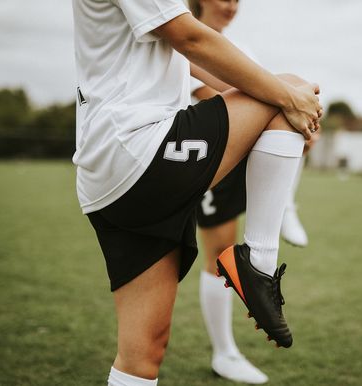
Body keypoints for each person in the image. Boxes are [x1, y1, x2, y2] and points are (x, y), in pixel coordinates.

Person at [72, 0, 322, 385]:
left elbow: (185, 58)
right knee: (288, 84)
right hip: (139, 148)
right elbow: (188, 38)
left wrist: (288, 109)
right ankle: (260, 264)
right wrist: (289, 98)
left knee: (142, 354)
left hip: (110, 174)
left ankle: (263, 254)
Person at [188, 1, 320, 383]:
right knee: (217, 256)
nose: (230, 5)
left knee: (295, 112)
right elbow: (210, 95)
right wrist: (279, 105)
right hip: (204, 150)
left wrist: (297, 116)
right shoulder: (185, 38)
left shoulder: (240, 48)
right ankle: (224, 352)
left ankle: (285, 208)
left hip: (241, 150)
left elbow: (264, 93)